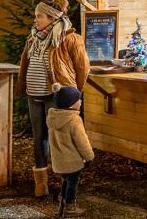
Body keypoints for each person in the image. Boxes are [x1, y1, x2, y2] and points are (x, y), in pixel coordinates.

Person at [16, 0, 90, 197]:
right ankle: (41, 183)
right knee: (39, 138)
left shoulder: (70, 38)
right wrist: (22, 85)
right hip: (34, 94)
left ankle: (65, 184)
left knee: (60, 139)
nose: (35, 20)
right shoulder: (33, 38)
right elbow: (25, 63)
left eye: (39, 16)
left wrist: (75, 94)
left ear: (52, 18)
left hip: (56, 96)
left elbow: (82, 68)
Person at [47, 83, 94, 218]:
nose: (80, 101)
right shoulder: (73, 120)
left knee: (65, 181)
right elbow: (82, 141)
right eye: (78, 100)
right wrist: (89, 157)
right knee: (73, 183)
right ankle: (70, 207)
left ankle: (61, 205)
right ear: (71, 104)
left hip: (59, 161)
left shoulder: (53, 117)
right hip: (72, 161)